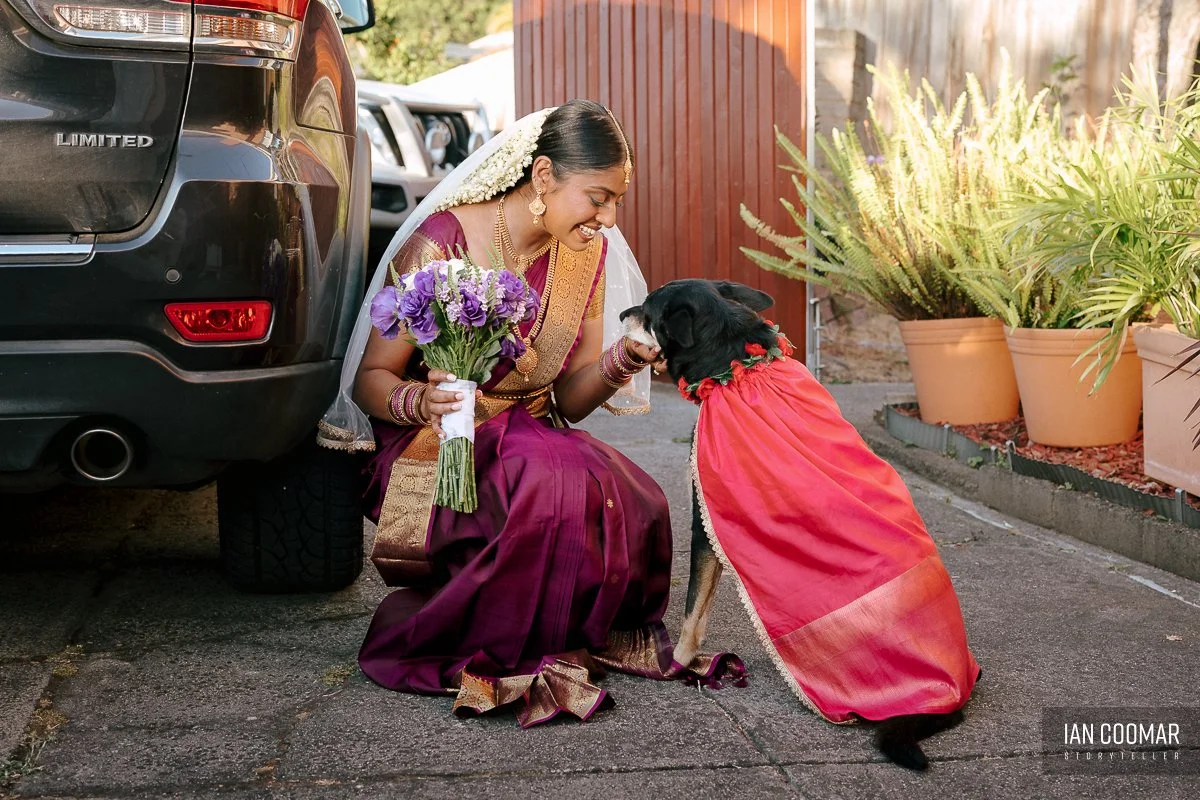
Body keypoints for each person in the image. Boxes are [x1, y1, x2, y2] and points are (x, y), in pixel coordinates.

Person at [318, 100, 740, 727]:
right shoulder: (445, 239)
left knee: (637, 495)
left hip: (527, 434)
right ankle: (509, 637)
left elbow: (569, 401)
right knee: (552, 479)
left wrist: (626, 357)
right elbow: (371, 377)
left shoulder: (585, 254)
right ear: (543, 175)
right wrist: (424, 399)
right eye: (597, 198)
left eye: (617, 201)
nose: (609, 218)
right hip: (432, 439)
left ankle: (569, 622)